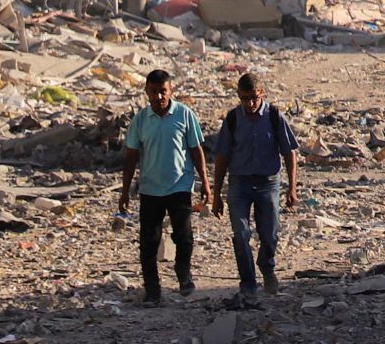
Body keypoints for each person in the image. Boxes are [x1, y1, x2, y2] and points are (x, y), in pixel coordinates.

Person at [119, 70, 209, 304]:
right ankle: (152, 290)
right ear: (146, 92)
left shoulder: (184, 114)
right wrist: (125, 190)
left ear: (171, 91)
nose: (159, 96)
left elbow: (196, 150)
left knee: (184, 236)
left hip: (180, 185)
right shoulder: (140, 120)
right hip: (150, 188)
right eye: (154, 91)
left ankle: (183, 273)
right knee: (149, 241)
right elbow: (131, 157)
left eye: (163, 91)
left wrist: (206, 183)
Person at [209, 73, 299, 298]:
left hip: (268, 183)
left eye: (254, 98)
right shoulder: (232, 119)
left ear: (262, 95)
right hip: (240, 183)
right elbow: (222, 157)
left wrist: (292, 187)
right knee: (240, 232)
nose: (250, 104)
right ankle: (247, 283)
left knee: (269, 234)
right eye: (244, 98)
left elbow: (289, 153)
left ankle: (267, 265)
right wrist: (217, 193)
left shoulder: (274, 116)